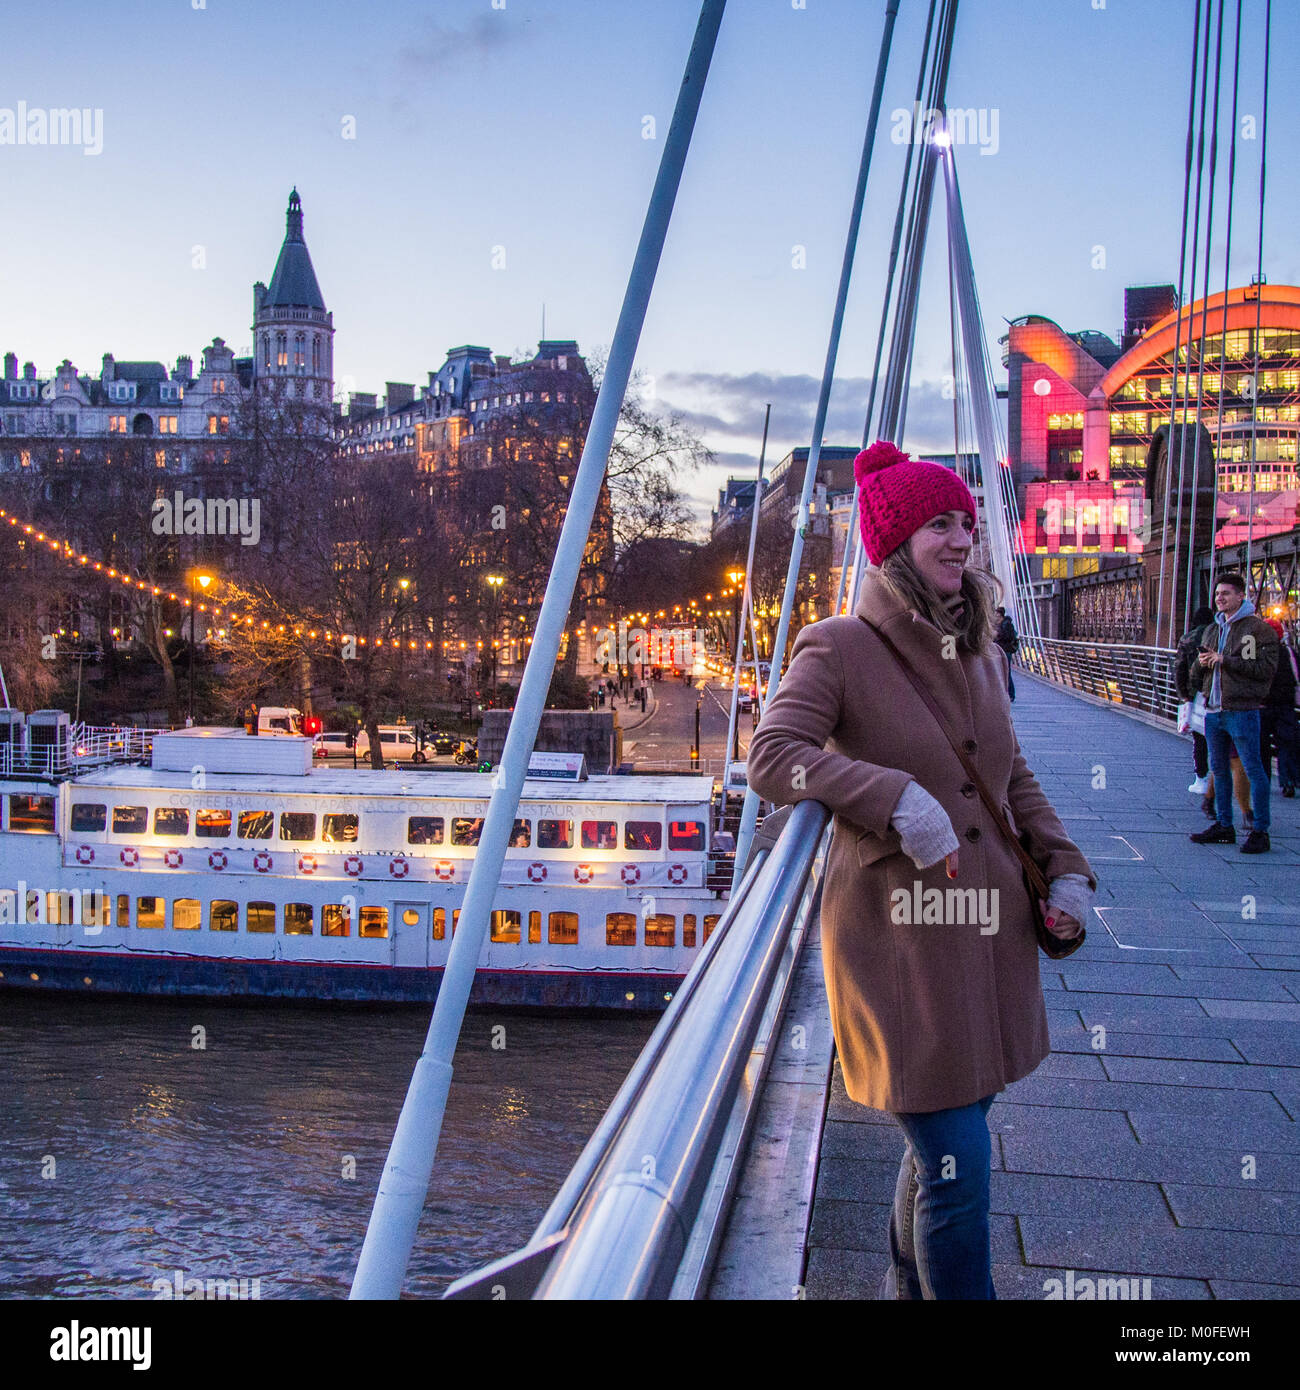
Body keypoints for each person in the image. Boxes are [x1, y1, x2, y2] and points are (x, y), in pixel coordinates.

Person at [747, 440, 1095, 1301]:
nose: (960, 539)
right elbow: (772, 759)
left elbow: (1011, 777)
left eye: (967, 524)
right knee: (958, 1171)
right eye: (939, 523)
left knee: (945, 1150)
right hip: (901, 950)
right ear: (895, 540)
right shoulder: (837, 648)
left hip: (988, 934)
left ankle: (906, 1283)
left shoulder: (980, 649)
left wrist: (1066, 868)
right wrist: (892, 795)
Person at [1189, 572, 1279, 854]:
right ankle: (1224, 826)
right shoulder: (1213, 630)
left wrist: (1224, 660)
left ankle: (1260, 831)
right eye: (1217, 594)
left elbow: (1261, 669)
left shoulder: (1254, 630)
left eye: (1226, 593)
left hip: (1241, 710)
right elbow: (1197, 671)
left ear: (1241, 596)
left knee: (1253, 770)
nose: (1220, 598)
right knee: (1219, 770)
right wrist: (1202, 664)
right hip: (1214, 710)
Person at [1175, 605, 1214, 796]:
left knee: (1199, 738)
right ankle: (1221, 778)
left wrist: (1184, 695)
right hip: (1217, 692)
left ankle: (1201, 778)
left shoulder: (1187, 639)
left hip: (1195, 693)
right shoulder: (1218, 635)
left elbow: (1180, 669)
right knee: (1220, 738)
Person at [1261, 617, 1299, 798]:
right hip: (1286, 705)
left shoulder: (1256, 652)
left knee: (1262, 745)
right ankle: (1288, 781)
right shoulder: (1289, 653)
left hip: (1262, 704)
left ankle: (1262, 781)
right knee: (1286, 743)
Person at [993, 605, 1019, 701]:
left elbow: (1008, 636)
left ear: (1000, 614)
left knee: (1006, 672)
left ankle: (1011, 694)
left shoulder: (1006, 624)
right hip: (999, 650)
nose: (995, 615)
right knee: (1001, 671)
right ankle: (1004, 693)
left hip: (1006, 651)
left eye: (996, 613)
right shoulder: (998, 624)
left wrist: (998, 635)